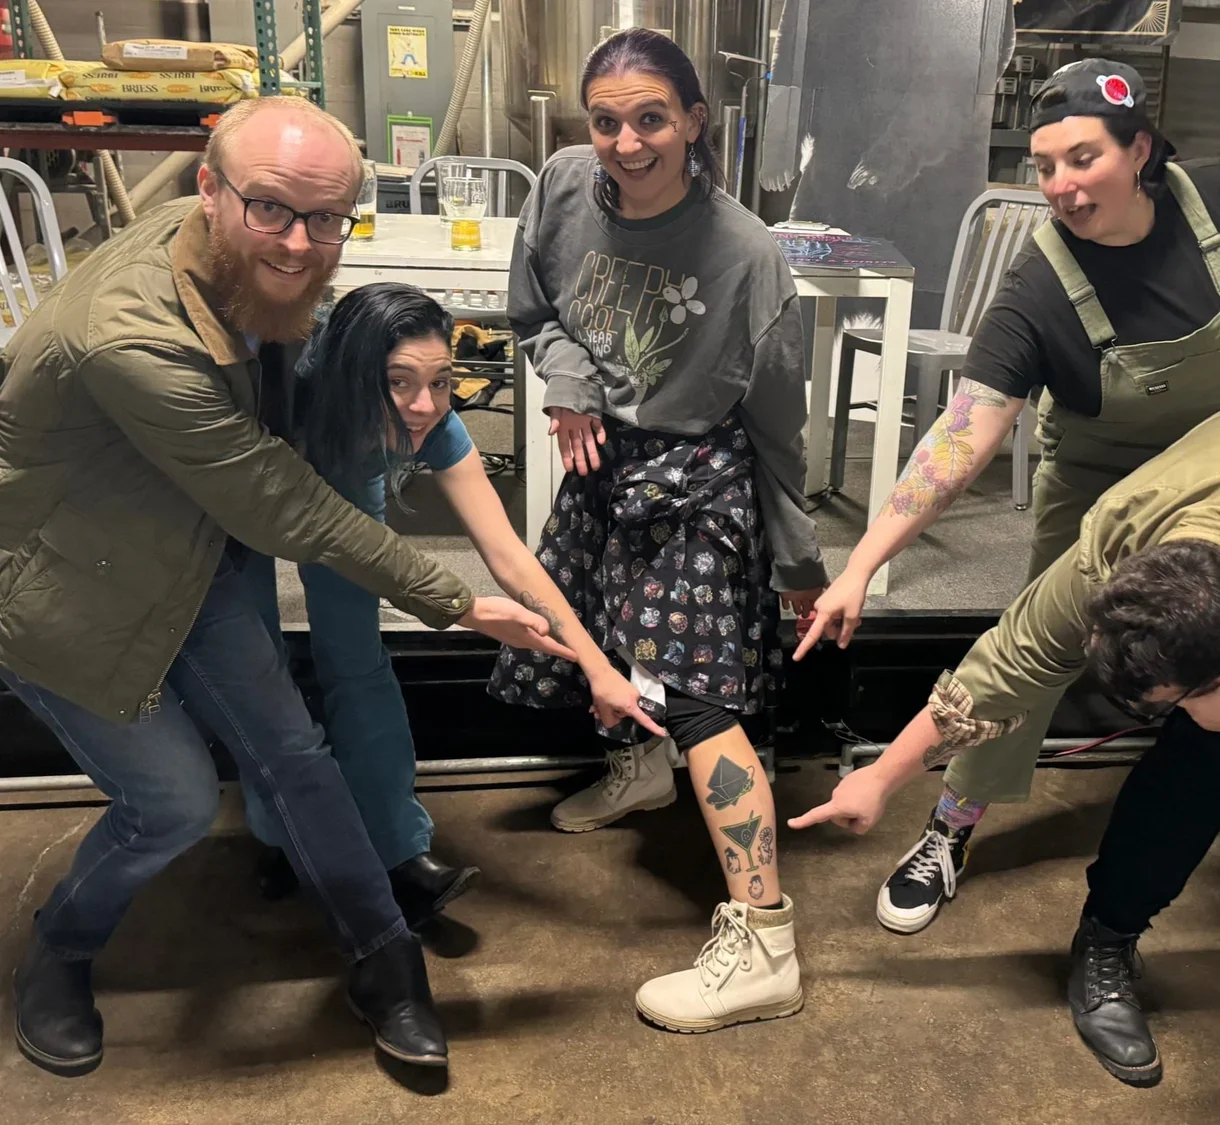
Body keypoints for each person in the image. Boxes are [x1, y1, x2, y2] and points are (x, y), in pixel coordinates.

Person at [0, 97, 566, 1076]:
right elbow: (281, 503)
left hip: (187, 550)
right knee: (174, 803)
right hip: (62, 587)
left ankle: (387, 965)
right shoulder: (130, 335)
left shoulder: (236, 256)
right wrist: (458, 601)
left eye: (327, 219)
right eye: (272, 209)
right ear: (209, 190)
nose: (301, 244)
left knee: (295, 752)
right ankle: (61, 945)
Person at [791, 392, 1220, 1083]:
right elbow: (1007, 665)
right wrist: (881, 776)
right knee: (1195, 759)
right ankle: (1107, 935)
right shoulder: (1118, 541)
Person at [794, 59, 1220, 934]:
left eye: (1083, 158)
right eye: (1046, 166)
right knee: (1033, 648)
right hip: (1103, 482)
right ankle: (952, 821)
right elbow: (962, 436)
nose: (1060, 186)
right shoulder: (1039, 286)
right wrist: (860, 564)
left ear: (1141, 150)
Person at [489, 28, 826, 1032]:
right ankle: (638, 775)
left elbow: (780, 426)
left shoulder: (746, 254)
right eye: (607, 121)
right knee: (599, 634)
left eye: (651, 119)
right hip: (602, 462)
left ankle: (766, 944)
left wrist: (798, 557)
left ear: (693, 122)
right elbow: (533, 310)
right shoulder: (562, 185)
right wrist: (568, 382)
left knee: (693, 694)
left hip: (696, 477)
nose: (627, 143)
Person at [241, 283, 663, 923]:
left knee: (357, 661)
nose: (424, 405)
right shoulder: (281, 395)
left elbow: (510, 556)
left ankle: (398, 851)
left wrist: (598, 667)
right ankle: (284, 834)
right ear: (353, 375)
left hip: (350, 468)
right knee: (253, 668)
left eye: (441, 382)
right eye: (399, 382)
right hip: (248, 485)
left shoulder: (432, 421)